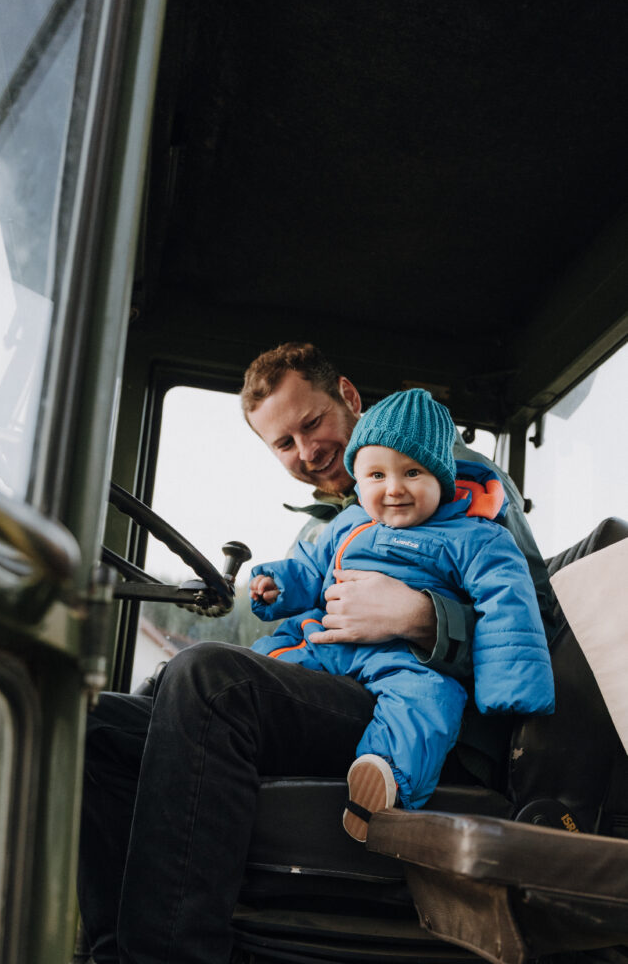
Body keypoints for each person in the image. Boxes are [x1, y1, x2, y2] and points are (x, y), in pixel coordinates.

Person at [78, 341, 555, 964]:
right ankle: (110, 953)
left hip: (424, 705)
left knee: (213, 681)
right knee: (99, 723)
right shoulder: (325, 529)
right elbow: (299, 614)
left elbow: (536, 617)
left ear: (349, 399)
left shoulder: (449, 476)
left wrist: (422, 618)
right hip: (332, 680)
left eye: (312, 424)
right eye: (284, 444)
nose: (306, 452)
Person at [248, 387, 554, 839]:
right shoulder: (345, 525)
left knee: (429, 702)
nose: (393, 489)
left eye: (412, 472)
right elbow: (310, 571)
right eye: (375, 475)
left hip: (406, 661)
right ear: (360, 478)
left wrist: (510, 687)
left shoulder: (474, 534)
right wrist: (276, 585)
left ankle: (381, 785)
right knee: (262, 658)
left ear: (442, 477)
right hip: (330, 644)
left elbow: (512, 606)